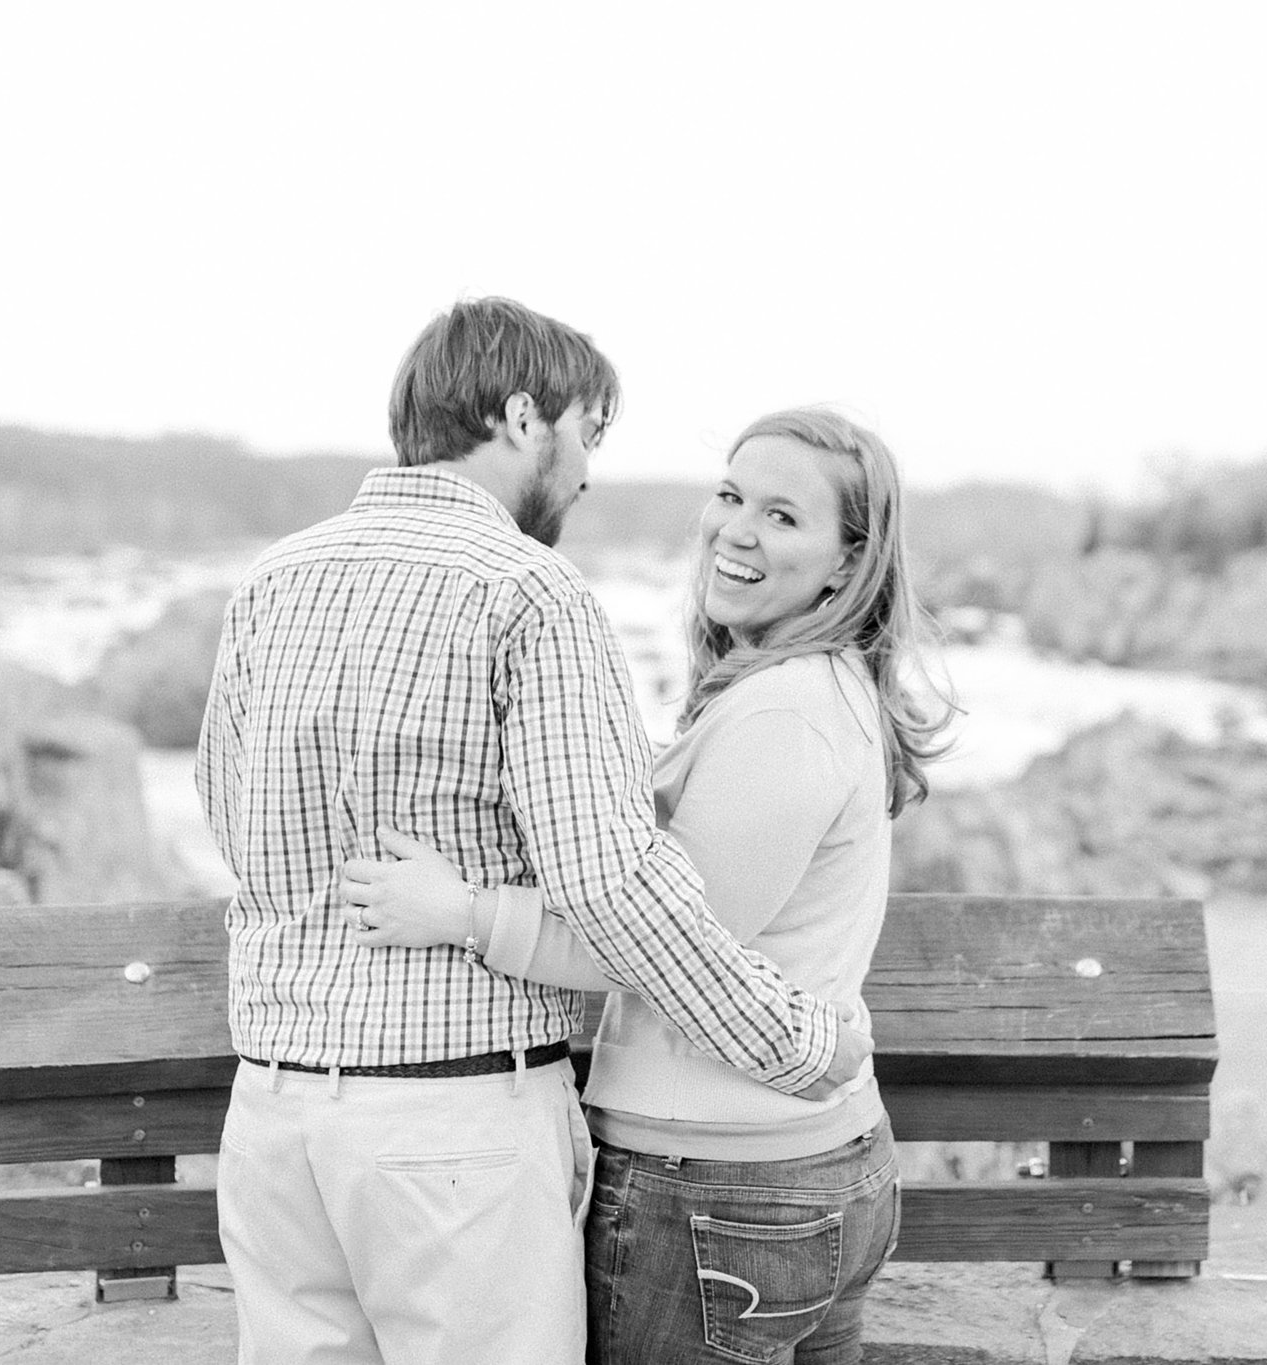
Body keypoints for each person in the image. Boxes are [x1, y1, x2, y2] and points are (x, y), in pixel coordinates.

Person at [195, 301, 867, 1365]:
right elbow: (612, 885)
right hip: (448, 1129)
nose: (589, 472)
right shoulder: (526, 592)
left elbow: (231, 821)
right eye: (586, 433)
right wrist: (791, 1041)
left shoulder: (272, 582)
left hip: (275, 1116)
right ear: (521, 418)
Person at [342, 407, 953, 1364]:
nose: (736, 529)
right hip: (791, 1173)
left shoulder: (785, 715)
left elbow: (660, 945)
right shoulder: (805, 686)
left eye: (784, 515)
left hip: (720, 1187)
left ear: (848, 563)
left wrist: (462, 912)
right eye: (730, 494)